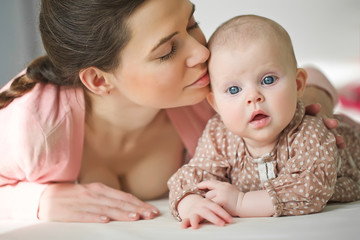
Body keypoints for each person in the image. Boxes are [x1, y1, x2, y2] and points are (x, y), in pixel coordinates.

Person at [0, 1, 342, 223]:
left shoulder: (202, 93)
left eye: (192, 23)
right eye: (166, 51)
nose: (200, 52)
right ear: (98, 80)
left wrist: (305, 107)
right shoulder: (34, 127)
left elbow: (309, 73)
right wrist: (38, 200)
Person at [167, 15, 360, 229]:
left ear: (297, 85)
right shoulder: (218, 135)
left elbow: (311, 190)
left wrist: (241, 202)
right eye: (234, 89)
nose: (253, 97)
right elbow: (196, 173)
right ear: (215, 103)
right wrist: (190, 202)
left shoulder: (309, 132)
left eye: (268, 80)